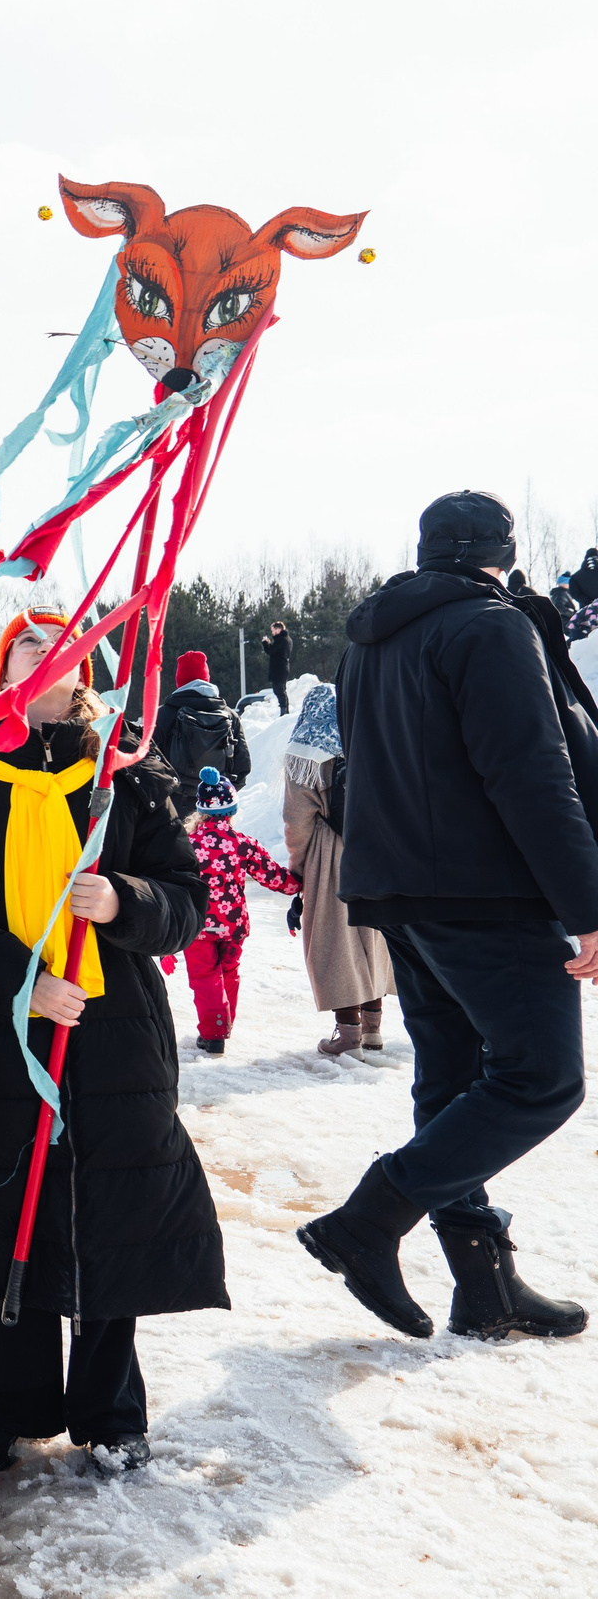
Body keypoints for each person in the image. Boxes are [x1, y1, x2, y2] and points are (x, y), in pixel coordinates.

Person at [0, 610, 217, 1479]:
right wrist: (20, 978)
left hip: (116, 1032)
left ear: (87, 668)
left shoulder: (127, 764)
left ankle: (112, 1412)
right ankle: (9, 1408)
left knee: (110, 1210)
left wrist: (122, 901)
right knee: (12, 1207)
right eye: (26, 645)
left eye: (63, 642)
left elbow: (186, 898)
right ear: (5, 669)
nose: (46, 654)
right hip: (8, 1024)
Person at [300, 490, 598, 1342]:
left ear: (428, 550)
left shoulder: (374, 638)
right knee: (541, 1079)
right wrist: (588, 906)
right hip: (486, 895)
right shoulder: (492, 627)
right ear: (504, 553)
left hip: (403, 893)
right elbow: (531, 776)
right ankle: (366, 1221)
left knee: (455, 1080)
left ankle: (485, 1284)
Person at [279, 683, 393, 1055]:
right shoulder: (365, 742)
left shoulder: (303, 755)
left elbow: (297, 820)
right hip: (373, 850)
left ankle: (348, 1035)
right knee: (374, 935)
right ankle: (374, 1030)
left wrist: (298, 867)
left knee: (335, 943)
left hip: (329, 855)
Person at [173, 768, 298, 1056]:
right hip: (233, 925)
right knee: (229, 972)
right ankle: (223, 1026)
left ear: (201, 810)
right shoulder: (241, 843)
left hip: (198, 926)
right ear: (231, 809)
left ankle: (213, 1031)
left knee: (205, 977)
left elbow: (171, 878)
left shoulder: (187, 844)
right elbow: (273, 876)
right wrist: (298, 884)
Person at [160, 651, 251, 818]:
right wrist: (220, 794)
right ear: (207, 678)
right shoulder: (229, 715)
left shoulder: (163, 715)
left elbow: (148, 765)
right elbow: (242, 767)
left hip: (173, 808)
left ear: (179, 681)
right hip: (217, 807)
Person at [261, 620, 295, 712]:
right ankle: (284, 710)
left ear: (277, 629)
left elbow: (270, 651)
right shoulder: (286, 639)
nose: (272, 633)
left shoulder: (281, 640)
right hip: (282, 668)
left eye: (272, 630)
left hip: (279, 669)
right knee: (280, 690)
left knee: (279, 690)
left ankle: (284, 711)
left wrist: (265, 643)